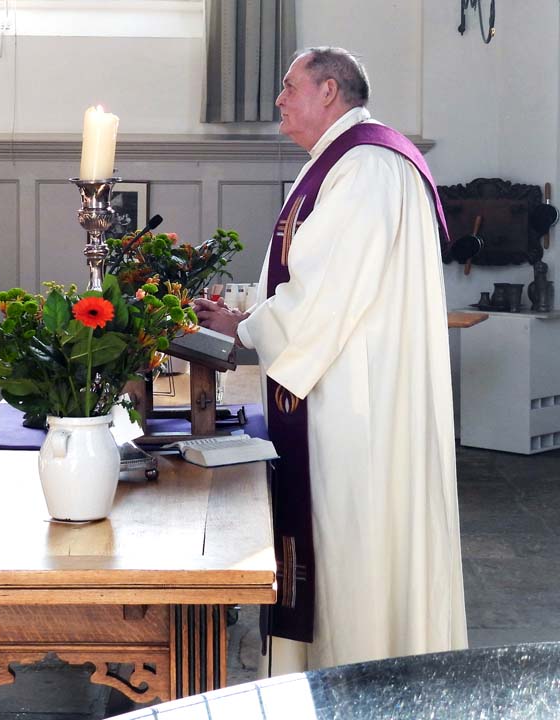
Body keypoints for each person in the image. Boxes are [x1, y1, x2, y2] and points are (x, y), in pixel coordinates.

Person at [194, 47, 468, 674]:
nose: (278, 101)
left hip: (358, 402)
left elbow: (327, 291)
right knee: (347, 547)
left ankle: (362, 680)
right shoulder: (345, 162)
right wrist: (246, 312)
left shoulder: (367, 165)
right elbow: (309, 279)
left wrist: (246, 327)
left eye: (289, 87)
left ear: (329, 90)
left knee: (355, 544)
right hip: (345, 387)